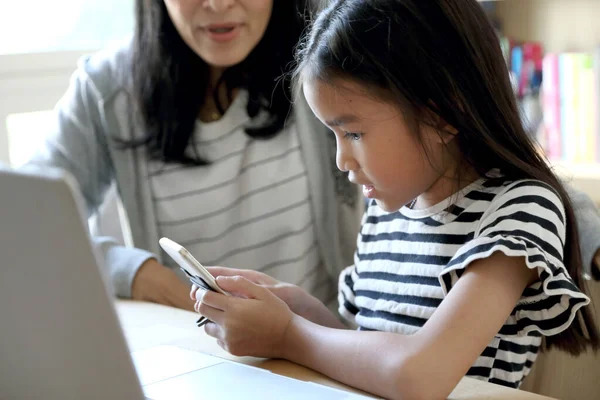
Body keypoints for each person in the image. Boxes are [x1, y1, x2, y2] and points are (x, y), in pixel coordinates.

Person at [190, 1, 600, 399]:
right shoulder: (388, 210)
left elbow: (419, 376)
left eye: (353, 133)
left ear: (441, 117)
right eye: (332, 135)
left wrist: (286, 334)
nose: (341, 159)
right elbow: (360, 347)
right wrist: (297, 310)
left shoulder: (518, 211)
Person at [24, 0, 362, 311]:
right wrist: (138, 274)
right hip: (192, 361)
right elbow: (24, 222)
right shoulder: (106, 89)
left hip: (320, 354)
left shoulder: (329, 54)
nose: (219, 4)